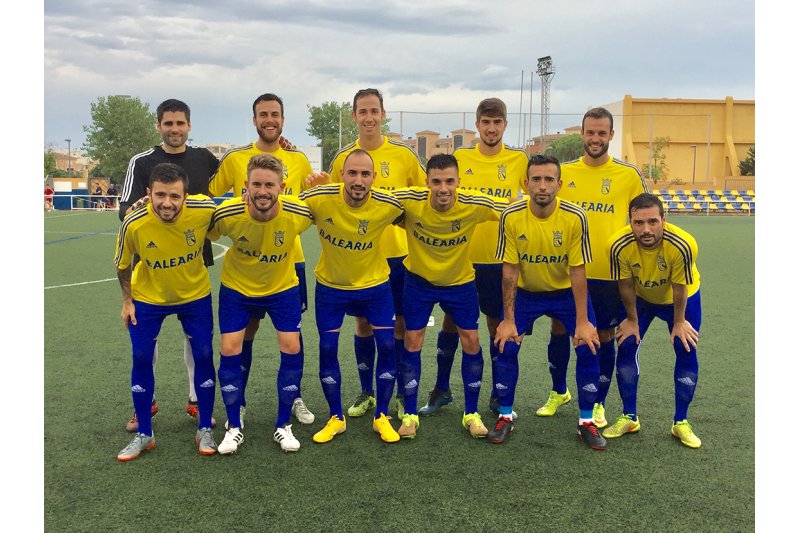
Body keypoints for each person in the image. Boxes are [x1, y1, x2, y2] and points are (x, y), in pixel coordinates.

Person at [208, 93, 321, 428]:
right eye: (263, 114)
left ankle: (294, 396)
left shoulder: (298, 158)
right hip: (248, 263)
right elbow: (211, 195)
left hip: (290, 261)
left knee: (292, 336)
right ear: (254, 119)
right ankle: (237, 401)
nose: (269, 119)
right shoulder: (235, 159)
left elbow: (310, 202)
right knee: (247, 331)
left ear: (283, 120)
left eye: (275, 114)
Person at [539, 107, 648, 428]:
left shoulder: (628, 175)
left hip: (609, 275)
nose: (596, 138)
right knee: (559, 329)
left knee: (601, 335)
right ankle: (559, 391)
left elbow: (643, 222)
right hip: (567, 272)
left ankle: (598, 402)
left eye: (602, 133)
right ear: (582, 134)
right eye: (590, 132)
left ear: (611, 136)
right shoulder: (565, 173)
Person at [421, 97, 528, 419]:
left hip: (499, 261)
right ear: (477, 125)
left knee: (499, 325)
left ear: (505, 125)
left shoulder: (519, 159)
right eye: (486, 122)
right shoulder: (461, 157)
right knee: (453, 322)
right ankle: (441, 389)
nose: (491, 128)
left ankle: (498, 395)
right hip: (461, 259)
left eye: (497, 123)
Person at [118, 98, 220, 433]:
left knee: (197, 341)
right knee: (147, 344)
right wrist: (145, 205)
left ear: (189, 126)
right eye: (168, 123)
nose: (174, 129)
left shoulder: (204, 157)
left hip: (192, 258)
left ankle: (195, 399)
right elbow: (126, 212)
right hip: (152, 262)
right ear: (159, 125)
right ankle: (145, 404)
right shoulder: (143, 161)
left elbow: (225, 187)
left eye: (180, 123)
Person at [492, 154, 605, 450]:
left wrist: (582, 322)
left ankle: (586, 422)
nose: (542, 186)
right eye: (536, 179)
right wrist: (507, 319)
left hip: (565, 292)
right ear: (525, 183)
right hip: (527, 293)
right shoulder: (512, 216)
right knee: (506, 343)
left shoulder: (575, 217)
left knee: (589, 344)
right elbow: (510, 270)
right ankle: (505, 416)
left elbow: (578, 271)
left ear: (560, 184)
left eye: (549, 179)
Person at [328, 88, 427, 420]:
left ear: (383, 114)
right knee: (363, 324)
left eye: (374, 110)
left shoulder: (404, 155)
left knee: (399, 325)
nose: (368, 117)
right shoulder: (343, 159)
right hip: (358, 257)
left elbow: (425, 195)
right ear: (354, 116)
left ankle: (399, 393)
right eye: (362, 111)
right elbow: (330, 198)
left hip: (397, 255)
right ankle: (367, 391)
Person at [392, 154, 507, 439]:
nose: (443, 188)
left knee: (471, 340)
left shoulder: (474, 203)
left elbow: (513, 209)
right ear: (427, 182)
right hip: (418, 281)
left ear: (459, 182)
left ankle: (471, 413)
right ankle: (408, 414)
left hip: (459, 282)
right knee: (412, 338)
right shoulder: (410, 201)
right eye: (436, 182)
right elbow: (375, 198)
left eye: (449, 181)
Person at [298, 149, 404, 444]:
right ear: (342, 174)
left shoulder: (388, 204)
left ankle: (381, 415)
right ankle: (335, 418)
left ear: (374, 178)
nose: (358, 180)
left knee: (386, 344)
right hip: (331, 287)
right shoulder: (320, 197)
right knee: (328, 348)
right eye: (352, 173)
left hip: (375, 286)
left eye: (365, 174)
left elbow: (422, 209)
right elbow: (285, 208)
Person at [603, 193, 702, 448]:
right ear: (630, 221)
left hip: (679, 300)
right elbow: (624, 284)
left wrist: (679, 322)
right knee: (626, 346)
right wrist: (632, 320)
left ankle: (681, 422)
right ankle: (629, 416)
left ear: (663, 220)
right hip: (641, 299)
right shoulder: (618, 244)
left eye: (652, 222)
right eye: (638, 223)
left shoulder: (682, 244)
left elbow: (679, 287)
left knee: (686, 347)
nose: (646, 230)